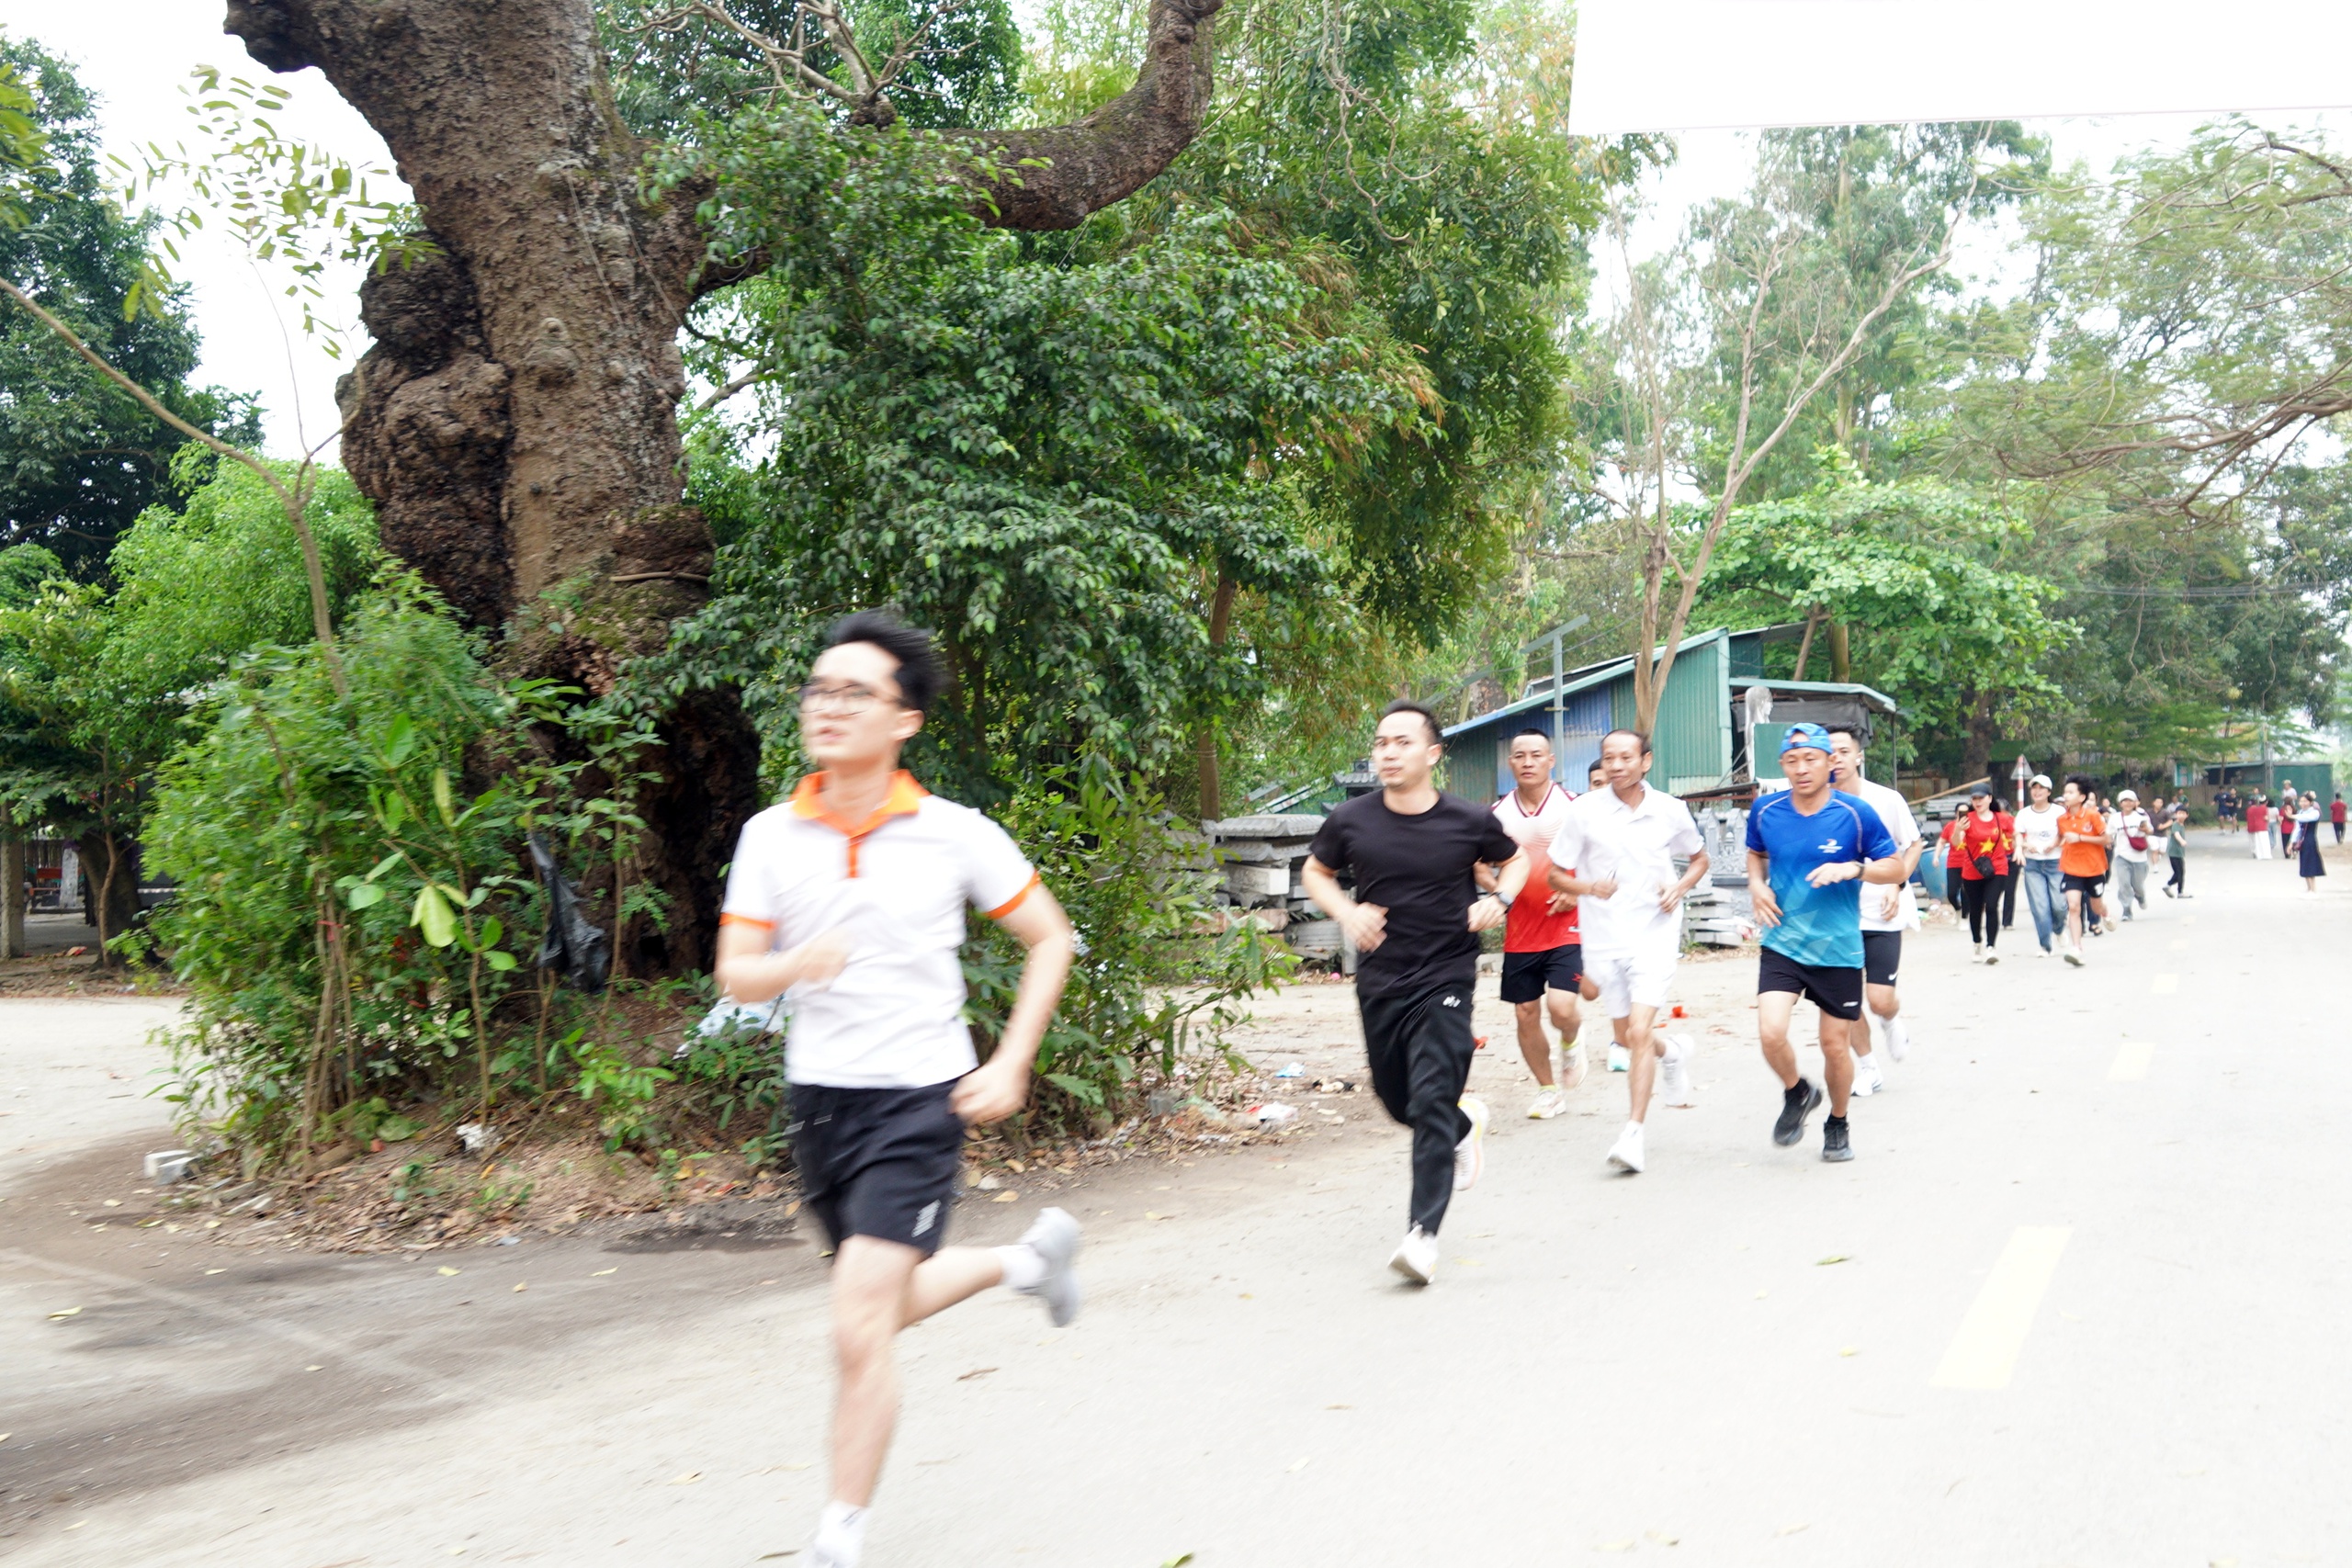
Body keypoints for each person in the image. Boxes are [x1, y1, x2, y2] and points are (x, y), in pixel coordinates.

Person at [713, 612, 1080, 1568]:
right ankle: (1025, 1266)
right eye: (818, 690)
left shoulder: (953, 833)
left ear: (904, 720)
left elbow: (1051, 936)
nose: (827, 708)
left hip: (918, 1102)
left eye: (853, 693)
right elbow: (735, 972)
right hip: (818, 1106)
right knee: (876, 1303)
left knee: (854, 1321)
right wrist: (796, 963)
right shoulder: (769, 835)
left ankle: (839, 1536)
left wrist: (1010, 1060)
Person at [1301, 701, 1531, 1285]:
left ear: (1432, 754)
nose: (1387, 753)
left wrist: (1497, 900)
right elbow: (1315, 874)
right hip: (1381, 978)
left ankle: (1422, 1235)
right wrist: (1346, 913)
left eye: (1401, 742)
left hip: (1446, 975)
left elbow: (1516, 859)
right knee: (1396, 1098)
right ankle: (1460, 1127)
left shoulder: (1466, 819)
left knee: (1429, 1097)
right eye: (1381, 743)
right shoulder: (1351, 820)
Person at [1548, 728, 1709, 1176]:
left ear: (1646, 761)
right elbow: (1555, 877)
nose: (1616, 766)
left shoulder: (1669, 810)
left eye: (1625, 758)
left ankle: (1633, 1134)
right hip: (1603, 937)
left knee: (1637, 1030)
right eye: (1608, 758)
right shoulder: (1584, 811)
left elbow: (1699, 859)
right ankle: (1671, 1051)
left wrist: (1678, 887)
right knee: (1629, 1037)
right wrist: (1589, 887)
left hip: (1654, 931)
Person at [1745, 724, 1903, 1163]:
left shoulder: (1855, 814)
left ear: (1829, 762)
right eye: (1792, 761)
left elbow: (1893, 867)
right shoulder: (1765, 810)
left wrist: (1855, 870)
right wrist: (1756, 885)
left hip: (1837, 948)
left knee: (1835, 1046)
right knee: (1770, 1032)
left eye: (1810, 759)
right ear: (1782, 765)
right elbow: (1755, 853)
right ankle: (1797, 1092)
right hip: (1783, 940)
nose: (1801, 769)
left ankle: (1837, 1121)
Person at [1486, 728, 1587, 1118]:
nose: (1528, 762)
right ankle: (1548, 1090)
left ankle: (1572, 1039)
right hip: (1521, 930)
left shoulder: (1576, 805)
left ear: (1551, 761)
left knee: (1561, 1008)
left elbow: (1602, 855)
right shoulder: (1497, 816)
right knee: (1525, 1012)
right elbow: (1479, 863)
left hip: (1568, 924)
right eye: (1520, 756)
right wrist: (1500, 893)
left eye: (1536, 755)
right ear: (1510, 763)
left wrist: (1577, 892)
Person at [1826, 725, 1921, 1095]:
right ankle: (1868, 1068)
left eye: (1843, 752)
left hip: (1882, 910)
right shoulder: (1815, 804)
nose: (1836, 759)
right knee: (1844, 1001)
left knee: (1879, 999)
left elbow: (1912, 846)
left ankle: (1890, 1019)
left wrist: (1897, 885)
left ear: (1858, 756)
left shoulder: (1886, 799)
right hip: (1836, 915)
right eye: (1829, 752)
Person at [1951, 787, 2011, 963]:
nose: (1977, 802)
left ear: (1989, 798)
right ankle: (1977, 942)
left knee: (1991, 905)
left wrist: (2021, 848)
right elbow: (1956, 842)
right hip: (1972, 870)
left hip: (1997, 867)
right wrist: (1957, 829)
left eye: (1981, 798)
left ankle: (1991, 947)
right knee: (1976, 909)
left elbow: (2016, 832)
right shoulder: (1967, 820)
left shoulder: (2001, 818)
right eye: (1974, 798)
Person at [2057, 775, 2109, 965]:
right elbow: (2059, 838)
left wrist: (2080, 838)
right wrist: (2043, 846)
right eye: (2065, 792)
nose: (2066, 795)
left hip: (2094, 868)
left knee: (2096, 906)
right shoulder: (2062, 819)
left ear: (2081, 797)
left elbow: (2107, 840)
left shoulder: (2093, 816)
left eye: (2070, 792)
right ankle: (2076, 947)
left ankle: (2105, 913)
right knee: (2073, 906)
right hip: (2071, 868)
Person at [2014, 774, 2065, 954]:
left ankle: (2059, 929)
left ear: (2049, 792)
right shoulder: (2024, 813)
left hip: (2056, 862)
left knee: (2059, 905)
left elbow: (2065, 833)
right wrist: (2024, 846)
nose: (2037, 792)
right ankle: (2045, 944)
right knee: (2040, 907)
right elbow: (2018, 835)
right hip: (2033, 864)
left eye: (2041, 788)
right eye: (2034, 788)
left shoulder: (2059, 812)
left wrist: (2055, 843)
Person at [2110, 789, 2154, 919]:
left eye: (2130, 800)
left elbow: (2150, 831)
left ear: (2135, 803)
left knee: (2138, 885)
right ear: (2120, 803)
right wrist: (2107, 843)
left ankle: (2140, 897)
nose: (2128, 803)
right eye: (2125, 801)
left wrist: (2146, 829)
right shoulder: (2115, 818)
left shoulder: (2142, 817)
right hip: (2121, 856)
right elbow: (2109, 833)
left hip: (2139, 857)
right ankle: (2126, 910)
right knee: (2124, 884)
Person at [2299, 795, 2327, 888]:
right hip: (2303, 840)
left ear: (2311, 802)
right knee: (2304, 863)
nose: (2303, 803)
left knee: (2310, 863)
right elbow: (2297, 829)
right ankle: (2309, 888)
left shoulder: (2315, 812)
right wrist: (2292, 842)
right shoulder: (2300, 812)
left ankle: (2313, 889)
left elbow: (2307, 818)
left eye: (2305, 801)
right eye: (2301, 801)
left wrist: (2293, 816)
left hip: (2310, 840)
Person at [2164, 804, 2190, 897]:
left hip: (2179, 853)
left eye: (2183, 813)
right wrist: (2182, 841)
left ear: (2187, 815)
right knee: (2180, 873)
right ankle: (2177, 890)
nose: (2181, 815)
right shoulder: (2175, 825)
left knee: (2179, 872)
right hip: (2174, 853)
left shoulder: (2181, 825)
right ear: (2176, 814)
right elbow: (2176, 834)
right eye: (2179, 813)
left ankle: (2170, 886)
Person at [2246, 794, 2271, 859]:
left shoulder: (2253, 809)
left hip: (2254, 826)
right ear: (2266, 802)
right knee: (2264, 841)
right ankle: (2266, 855)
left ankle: (2258, 854)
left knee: (2257, 841)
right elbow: (2266, 818)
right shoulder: (2264, 808)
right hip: (2262, 826)